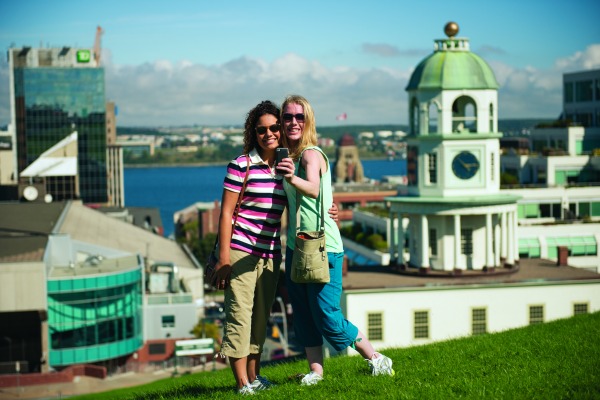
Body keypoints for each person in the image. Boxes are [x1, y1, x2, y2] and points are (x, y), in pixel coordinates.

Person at [276, 94, 395, 386]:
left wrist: (292, 178)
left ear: (308, 121)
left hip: (322, 247)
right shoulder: (289, 157)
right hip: (296, 247)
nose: (293, 122)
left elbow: (315, 188)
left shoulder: (310, 154)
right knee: (303, 315)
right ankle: (316, 372)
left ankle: (376, 358)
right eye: (288, 117)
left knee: (327, 314)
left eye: (299, 117)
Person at [210, 100, 286, 395]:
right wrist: (224, 258)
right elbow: (226, 213)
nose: (269, 133)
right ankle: (242, 383)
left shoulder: (285, 166)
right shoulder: (241, 165)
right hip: (241, 251)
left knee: (260, 318)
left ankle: (255, 377)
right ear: (253, 133)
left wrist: (329, 208)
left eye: (274, 127)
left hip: (270, 254)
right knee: (239, 315)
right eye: (262, 129)